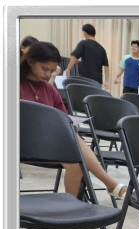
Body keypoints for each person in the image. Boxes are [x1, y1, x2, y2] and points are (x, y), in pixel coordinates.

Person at [20, 42, 126, 199]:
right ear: (30, 62)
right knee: (72, 139)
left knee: (76, 162)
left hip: (49, 142)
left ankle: (71, 205)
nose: (48, 74)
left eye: (52, 71)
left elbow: (63, 118)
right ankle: (111, 184)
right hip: (22, 141)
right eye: (44, 69)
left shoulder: (49, 90)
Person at [64, 23, 110, 89]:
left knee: (85, 95)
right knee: (95, 95)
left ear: (85, 33)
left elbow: (75, 56)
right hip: (98, 81)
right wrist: (107, 81)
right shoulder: (101, 48)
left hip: (85, 79)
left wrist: (68, 69)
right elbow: (106, 65)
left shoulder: (83, 43)